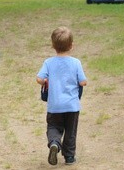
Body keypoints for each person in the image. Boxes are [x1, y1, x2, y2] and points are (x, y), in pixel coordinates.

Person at [36, 26, 87, 166]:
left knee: (53, 126)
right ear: (71, 46)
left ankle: (54, 143)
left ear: (53, 46)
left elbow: (39, 79)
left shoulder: (48, 62)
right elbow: (83, 82)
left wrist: (46, 80)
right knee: (70, 131)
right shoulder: (76, 63)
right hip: (72, 105)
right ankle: (69, 157)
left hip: (55, 105)